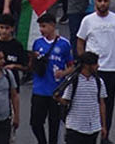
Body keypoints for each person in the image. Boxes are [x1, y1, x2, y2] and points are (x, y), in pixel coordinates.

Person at [74, 0, 115, 142]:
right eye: (99, 1)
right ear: (95, 1)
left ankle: (105, 135)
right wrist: (82, 61)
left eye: (105, 1)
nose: (102, 4)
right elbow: (80, 41)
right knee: (92, 102)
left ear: (109, 1)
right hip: (92, 69)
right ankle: (90, 134)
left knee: (108, 103)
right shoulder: (88, 20)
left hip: (111, 68)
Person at [28, 12, 71, 144]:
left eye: (44, 26)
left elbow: (72, 66)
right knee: (36, 122)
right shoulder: (37, 43)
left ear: (52, 26)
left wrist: (63, 73)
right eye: (40, 27)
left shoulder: (64, 44)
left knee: (54, 124)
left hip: (56, 91)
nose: (41, 30)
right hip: (39, 89)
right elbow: (31, 65)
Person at [58, 50, 106, 144]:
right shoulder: (73, 82)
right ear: (87, 65)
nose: (98, 66)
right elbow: (66, 100)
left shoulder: (99, 82)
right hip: (75, 127)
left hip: (93, 128)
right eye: (95, 64)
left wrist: (103, 125)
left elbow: (101, 104)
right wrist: (58, 99)